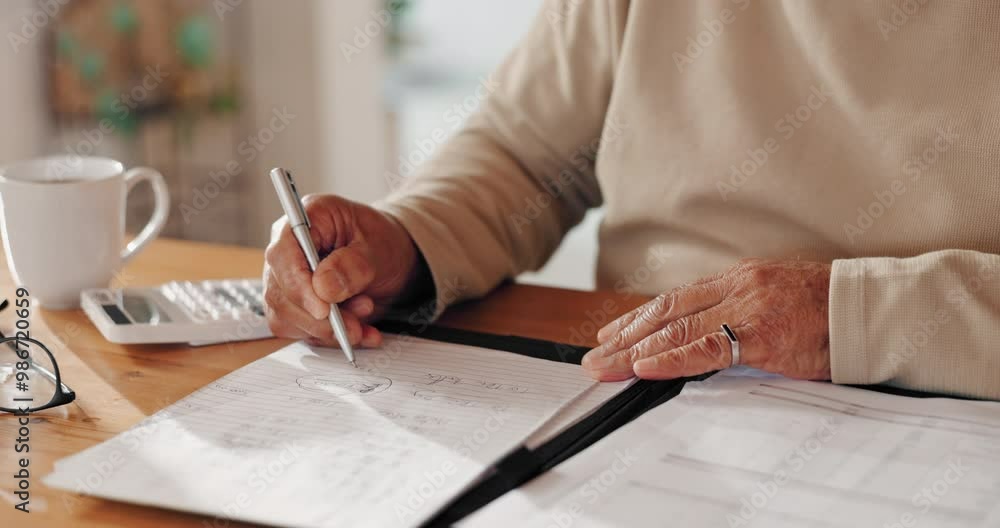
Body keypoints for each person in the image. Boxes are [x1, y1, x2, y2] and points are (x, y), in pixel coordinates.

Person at [262, 0, 1000, 401]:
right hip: (642, 401)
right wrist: (405, 241)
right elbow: (522, 154)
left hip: (947, 407)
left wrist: (847, 315)